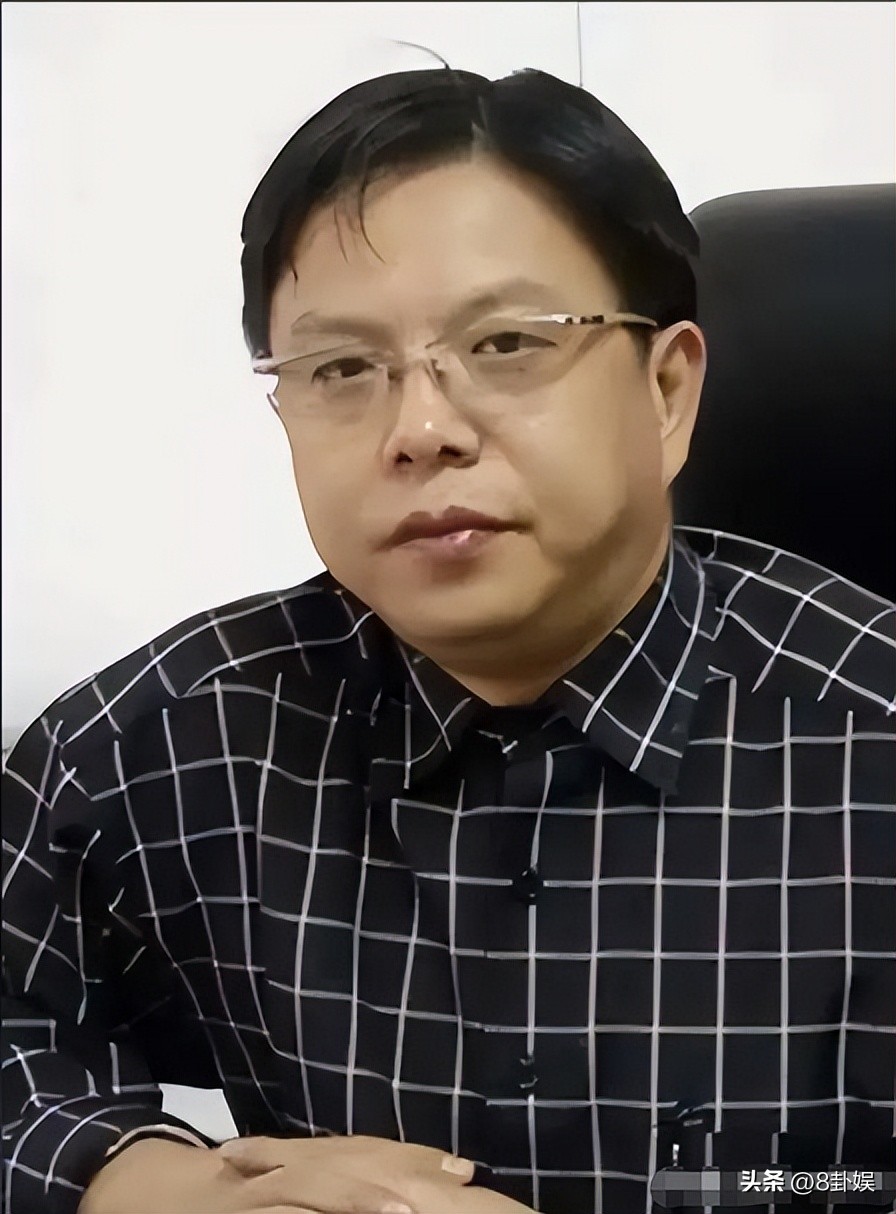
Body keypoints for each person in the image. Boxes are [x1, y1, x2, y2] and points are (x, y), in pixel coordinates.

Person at [2, 65, 894, 1214]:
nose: (420, 428)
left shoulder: (866, 739)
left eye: (506, 343)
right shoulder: (171, 743)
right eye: (340, 369)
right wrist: (149, 1181)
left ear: (665, 391)